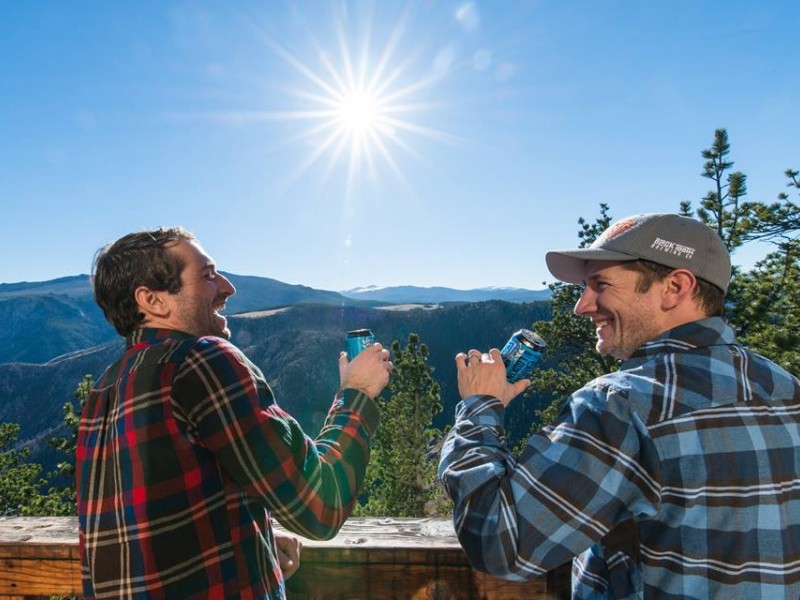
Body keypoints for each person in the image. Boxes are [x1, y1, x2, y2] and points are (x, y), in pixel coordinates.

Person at [438, 213, 800, 598]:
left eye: (600, 285)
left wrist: (481, 406)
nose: (582, 306)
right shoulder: (783, 386)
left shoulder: (621, 404)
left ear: (675, 287)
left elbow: (498, 542)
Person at [77, 227, 392, 599]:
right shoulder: (201, 359)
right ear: (153, 301)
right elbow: (321, 506)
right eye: (207, 275)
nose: (228, 287)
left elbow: (148, 522)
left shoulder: (105, 388)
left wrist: (256, 536)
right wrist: (357, 394)